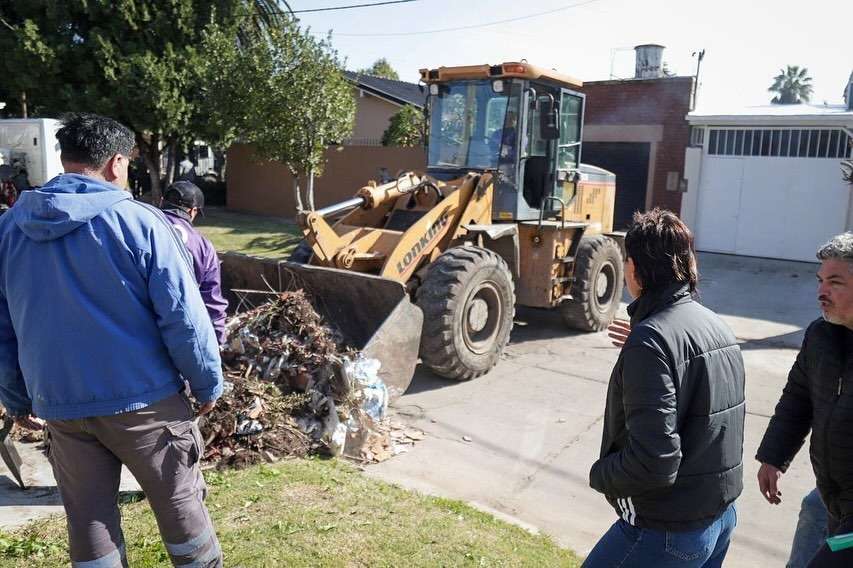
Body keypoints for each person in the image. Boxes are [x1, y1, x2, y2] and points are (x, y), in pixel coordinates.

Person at [0, 113, 224, 567]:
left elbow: (3, 325)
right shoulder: (141, 222)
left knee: (88, 519)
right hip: (145, 405)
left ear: (67, 159)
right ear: (117, 163)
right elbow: (183, 316)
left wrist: (17, 397)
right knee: (181, 507)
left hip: (61, 405)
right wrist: (207, 385)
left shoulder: (9, 229)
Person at [584, 208, 745, 568]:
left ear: (636, 268)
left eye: (627, 259)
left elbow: (654, 463)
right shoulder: (713, 324)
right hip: (718, 518)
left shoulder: (652, 341)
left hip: (667, 530)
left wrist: (601, 474)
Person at [756, 232, 853, 567]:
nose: (821, 292)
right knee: (816, 512)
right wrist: (774, 457)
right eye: (820, 280)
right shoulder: (820, 335)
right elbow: (798, 399)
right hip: (835, 499)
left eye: (835, 282)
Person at [160, 180, 228, 345]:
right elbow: (212, 299)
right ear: (193, 211)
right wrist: (219, 338)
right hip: (182, 333)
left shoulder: (140, 226)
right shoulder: (204, 246)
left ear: (162, 201)